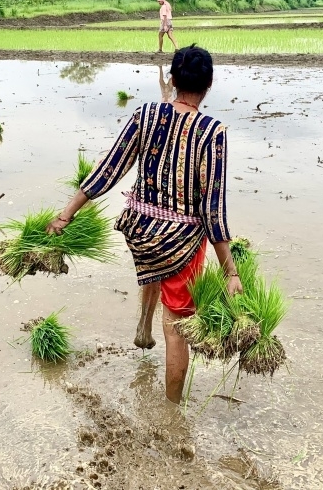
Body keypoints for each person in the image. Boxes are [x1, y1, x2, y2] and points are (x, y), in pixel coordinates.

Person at [47, 45, 241, 404]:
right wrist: (230, 271)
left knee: (155, 264)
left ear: (173, 78)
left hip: (139, 230)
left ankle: (143, 327)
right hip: (180, 240)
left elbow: (110, 168)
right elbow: (212, 208)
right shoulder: (212, 132)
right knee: (177, 327)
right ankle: (171, 412)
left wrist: (66, 214)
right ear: (209, 84)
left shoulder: (146, 115)